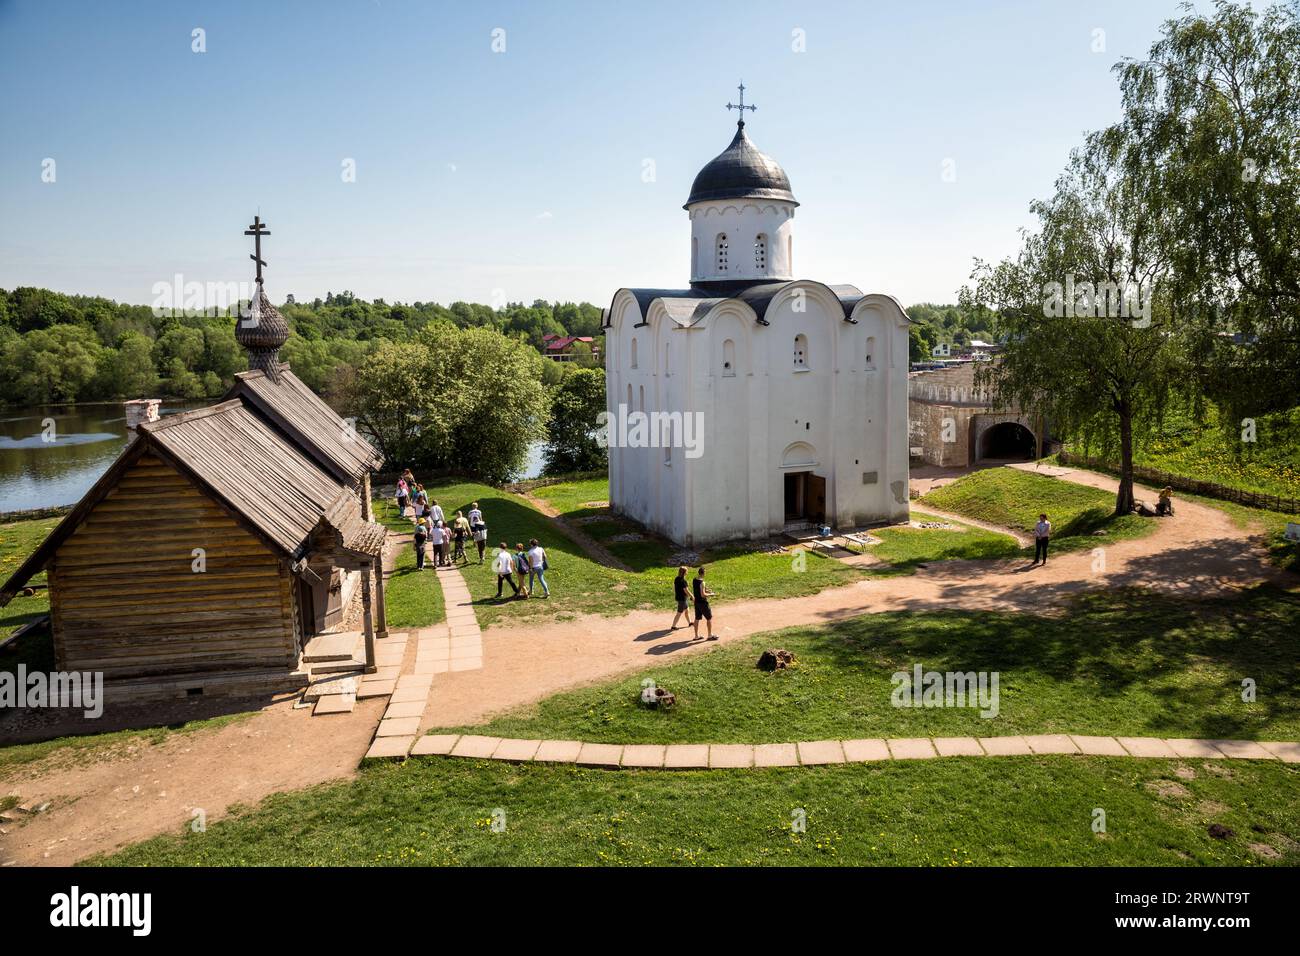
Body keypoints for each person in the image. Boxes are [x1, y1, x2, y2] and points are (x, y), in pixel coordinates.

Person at [691, 566, 715, 640]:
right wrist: (711, 594)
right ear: (703, 573)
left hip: (696, 602)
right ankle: (710, 635)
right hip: (703, 603)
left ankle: (696, 636)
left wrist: (706, 590)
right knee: (709, 618)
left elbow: (698, 590)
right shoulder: (702, 582)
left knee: (697, 618)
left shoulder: (694, 579)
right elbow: (703, 595)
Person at [670, 565, 693, 629]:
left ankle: (690, 622)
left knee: (687, 610)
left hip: (679, 597)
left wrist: (676, 594)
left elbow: (674, 587)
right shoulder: (683, 581)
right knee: (679, 612)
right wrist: (692, 596)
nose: (687, 572)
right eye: (686, 571)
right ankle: (673, 626)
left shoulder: (676, 578)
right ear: (684, 573)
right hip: (682, 599)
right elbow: (686, 590)